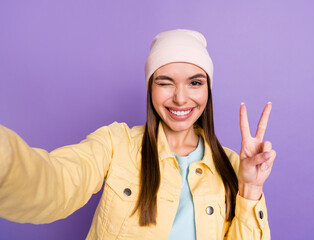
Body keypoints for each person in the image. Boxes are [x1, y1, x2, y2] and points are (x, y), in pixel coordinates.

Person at [0, 29, 276, 240]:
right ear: (150, 88)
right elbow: (55, 184)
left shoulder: (231, 165)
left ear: (207, 90)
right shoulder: (115, 144)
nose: (181, 98)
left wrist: (251, 188)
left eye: (195, 83)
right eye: (165, 83)